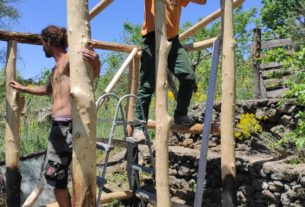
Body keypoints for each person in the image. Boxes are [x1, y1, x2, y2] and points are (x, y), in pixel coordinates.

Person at [9, 25, 100, 207]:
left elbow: (90, 75)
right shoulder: (55, 69)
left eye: (43, 43)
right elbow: (47, 90)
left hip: (68, 126)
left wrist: (97, 62)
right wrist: (23, 88)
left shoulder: (69, 60)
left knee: (56, 178)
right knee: (57, 177)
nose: (42, 47)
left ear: (49, 42)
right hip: (58, 127)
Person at [133, 0, 207, 141]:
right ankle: (139, 126)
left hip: (173, 41)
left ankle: (180, 114)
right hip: (152, 38)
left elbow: (203, 1)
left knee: (188, 78)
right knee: (147, 86)